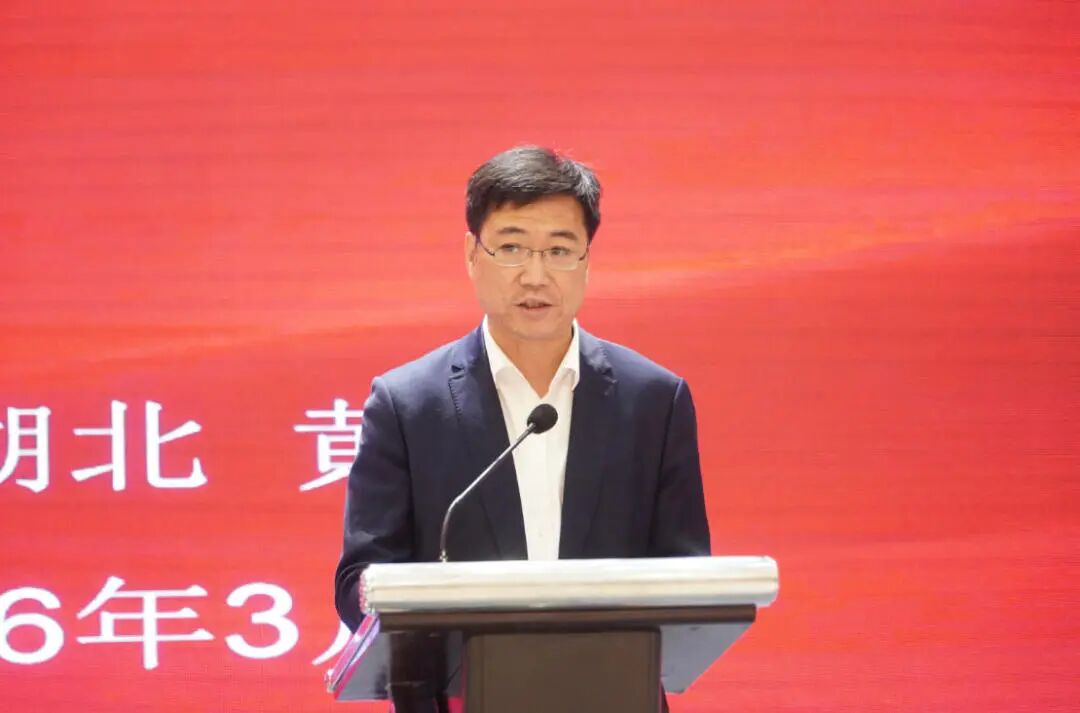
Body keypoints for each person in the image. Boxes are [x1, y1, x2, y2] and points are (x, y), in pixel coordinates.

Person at [334, 145, 710, 633]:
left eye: (559, 251)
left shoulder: (654, 402)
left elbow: (689, 579)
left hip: (611, 674)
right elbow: (359, 584)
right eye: (511, 249)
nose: (536, 277)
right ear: (472, 255)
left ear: (586, 261)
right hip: (457, 676)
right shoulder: (407, 405)